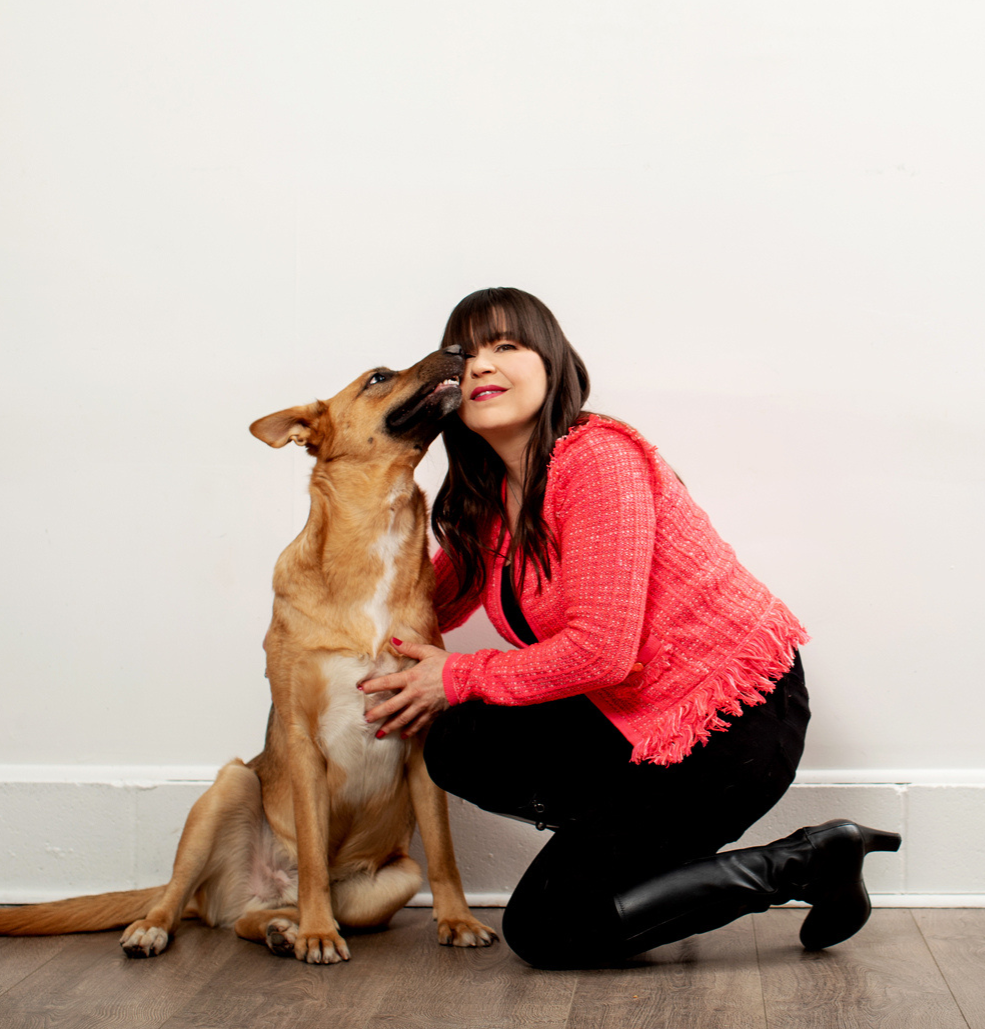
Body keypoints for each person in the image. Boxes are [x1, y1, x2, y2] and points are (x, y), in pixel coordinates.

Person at [358, 287, 899, 969]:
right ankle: (635, 851)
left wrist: (455, 675)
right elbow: (415, 606)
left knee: (547, 930)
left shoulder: (596, 459)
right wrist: (326, 613)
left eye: (506, 346)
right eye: (463, 356)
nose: (480, 368)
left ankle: (809, 862)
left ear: (552, 363)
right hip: (633, 724)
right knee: (457, 740)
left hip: (733, 724)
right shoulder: (489, 500)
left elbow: (600, 652)